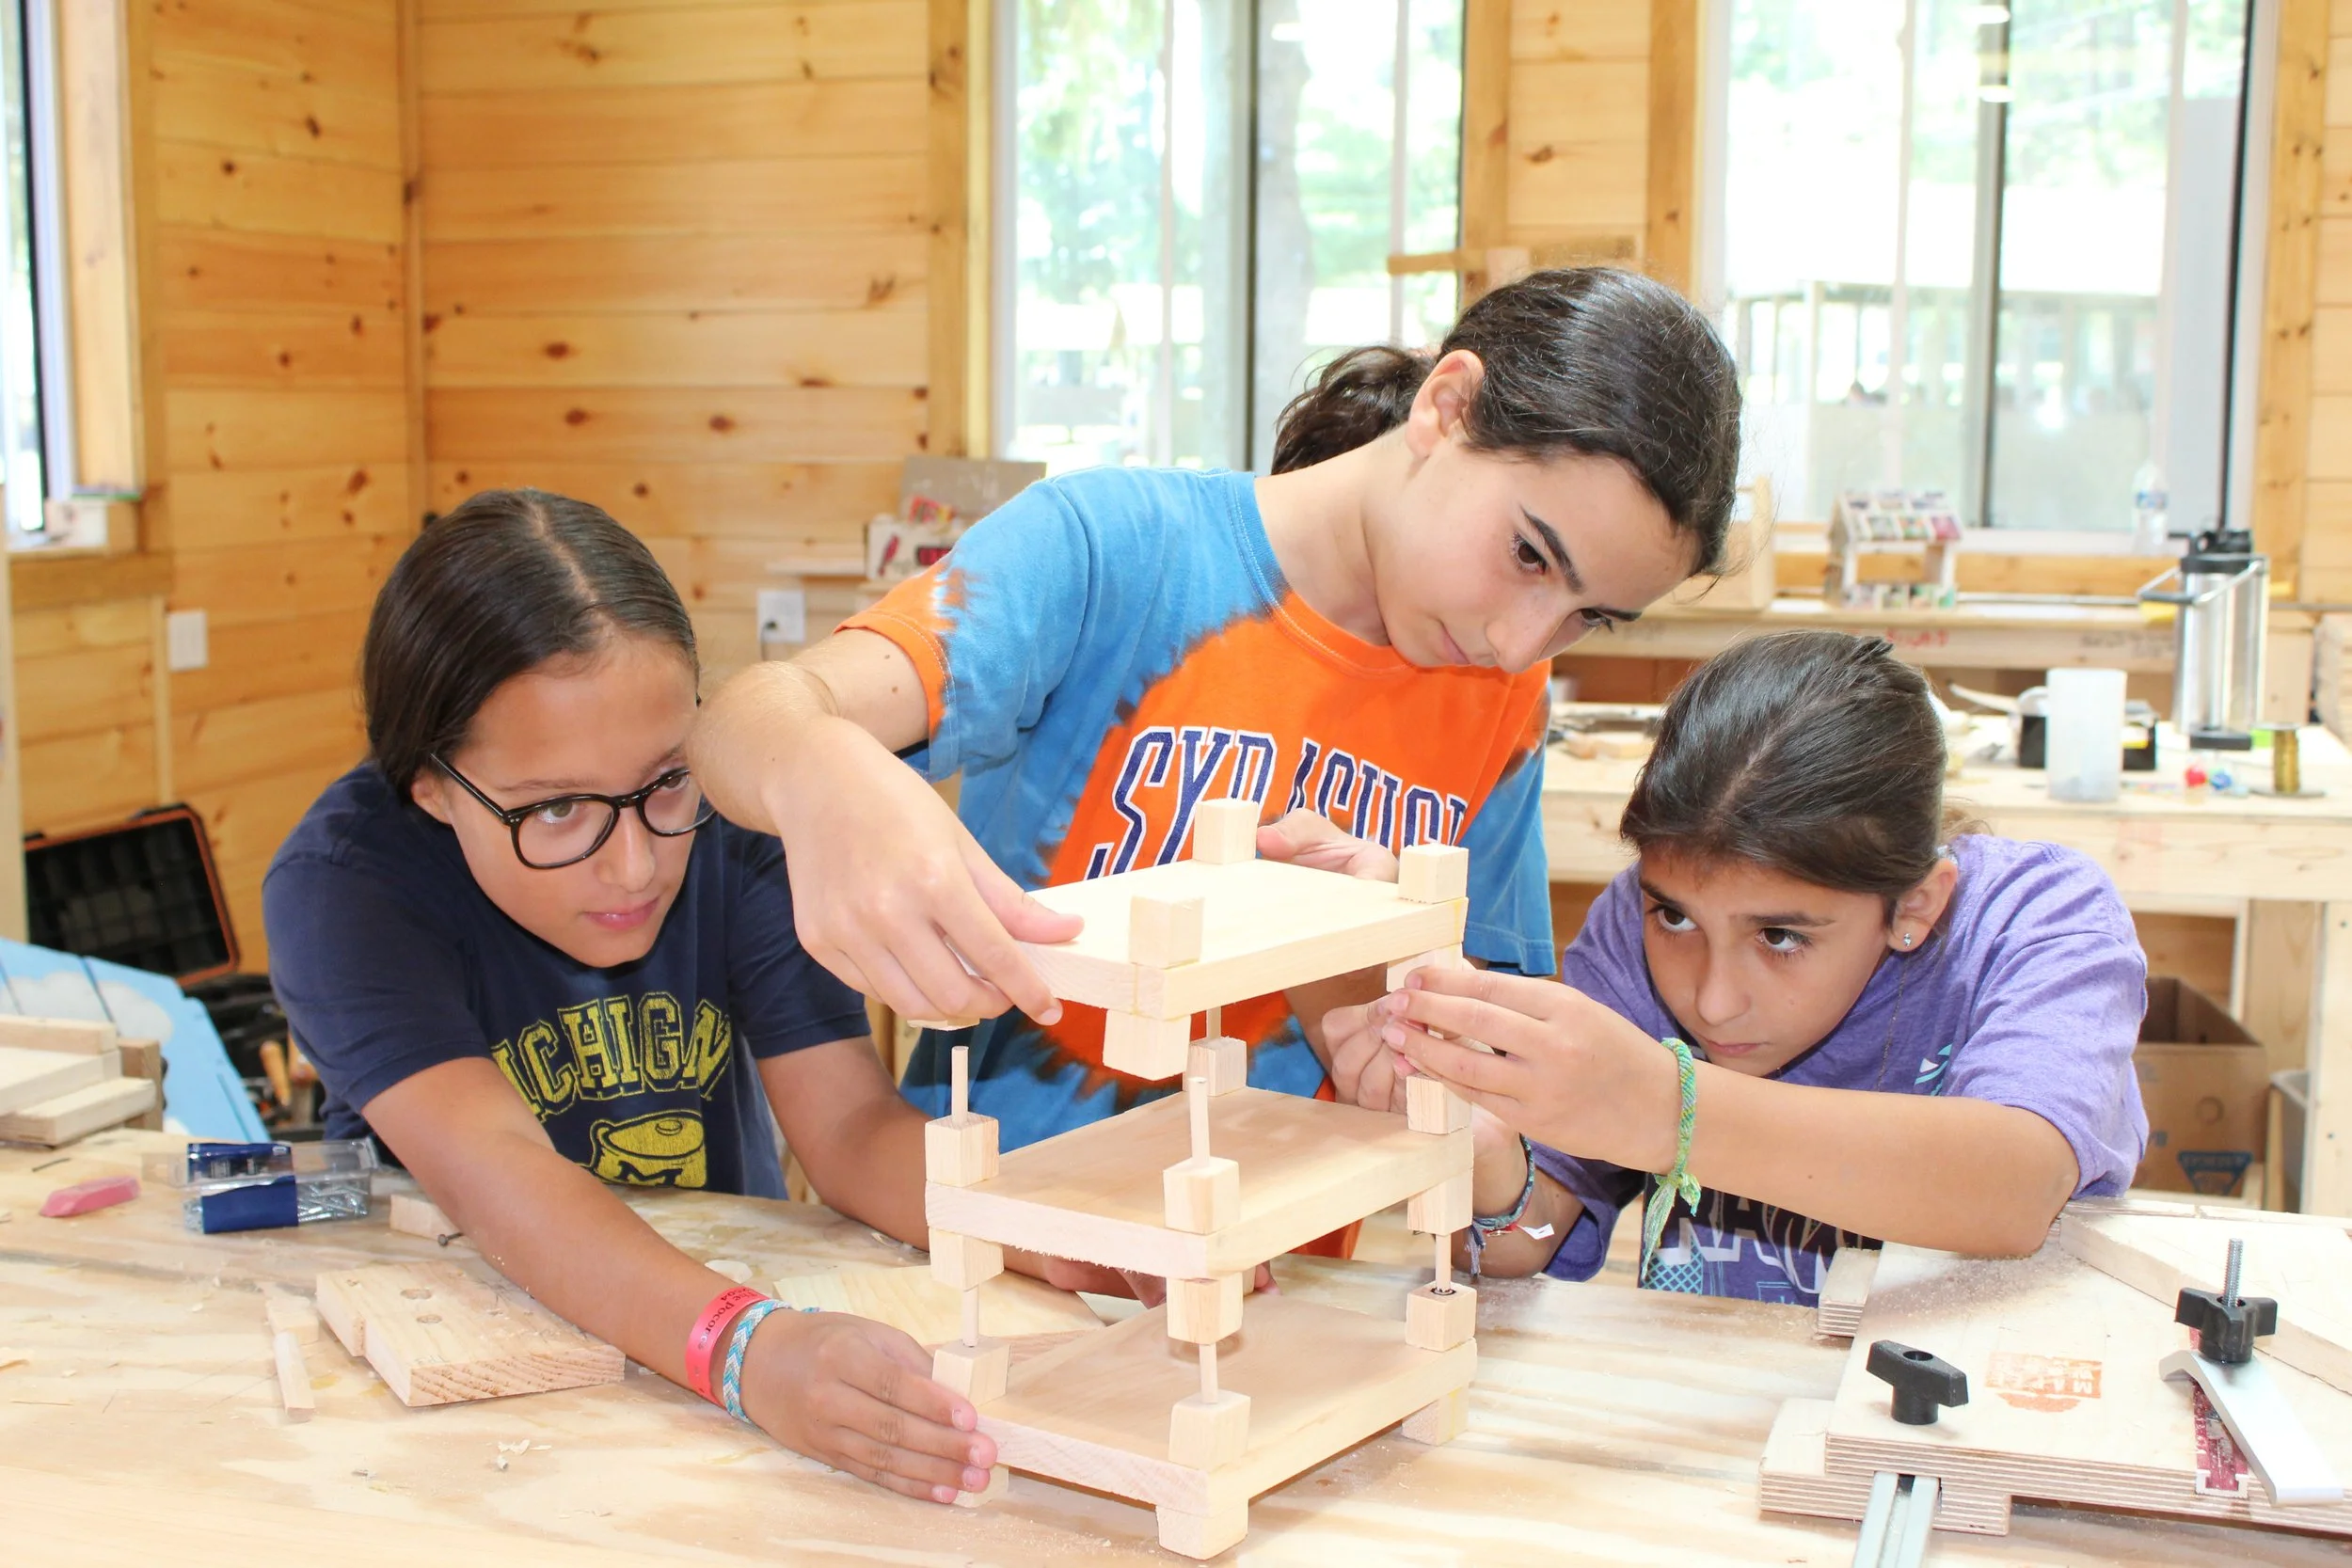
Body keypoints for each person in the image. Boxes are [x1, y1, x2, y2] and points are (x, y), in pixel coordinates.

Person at [691, 267, 1745, 1170]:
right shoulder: (1114, 548)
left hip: (1277, 1287)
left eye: (1586, 616)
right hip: (991, 1238)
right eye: (1527, 556)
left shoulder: (1495, 694)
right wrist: (821, 771)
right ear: (1447, 406)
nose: (1521, 643)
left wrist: (1388, 989)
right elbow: (749, 717)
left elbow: (1497, 1115)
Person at [264, 489, 998, 1502]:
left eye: (666, 780)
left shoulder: (729, 822)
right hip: (482, 1378)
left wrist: (1064, 1230)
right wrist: (746, 1348)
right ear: (431, 787)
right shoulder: (344, 885)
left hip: (719, 1329)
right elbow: (501, 1176)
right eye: (556, 809)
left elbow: (852, 1128)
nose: (635, 864)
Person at [1359, 630, 2150, 1305]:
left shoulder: (2039, 916)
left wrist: (1662, 1108)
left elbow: (2015, 1185)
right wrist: (1492, 1157)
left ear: (1913, 907)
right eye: (1676, 915)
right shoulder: (1630, 928)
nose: (1713, 1000)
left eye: (1780, 935)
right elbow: (1530, 1237)